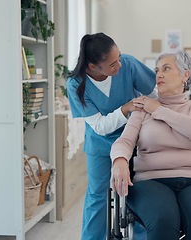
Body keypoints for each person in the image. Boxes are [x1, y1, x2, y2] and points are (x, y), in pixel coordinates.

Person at [110, 49, 191, 240]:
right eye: (157, 70)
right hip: (151, 181)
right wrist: (120, 160)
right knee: (163, 219)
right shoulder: (142, 108)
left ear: (185, 75)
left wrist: (158, 109)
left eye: (166, 68)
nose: (159, 74)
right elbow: (125, 141)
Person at [67, 32, 157, 240]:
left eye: (119, 58)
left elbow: (155, 95)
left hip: (133, 138)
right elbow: (99, 126)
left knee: (139, 192)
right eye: (112, 64)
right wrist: (125, 109)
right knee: (97, 195)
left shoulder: (129, 64)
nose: (119, 66)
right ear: (92, 67)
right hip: (100, 144)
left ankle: (143, 237)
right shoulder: (76, 84)